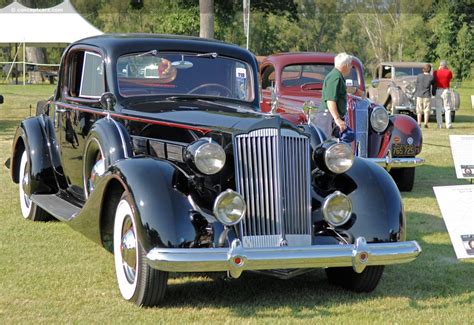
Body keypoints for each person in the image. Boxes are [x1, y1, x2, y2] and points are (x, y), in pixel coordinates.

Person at [320, 52, 353, 137]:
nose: (350, 67)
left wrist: (355, 90)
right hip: (328, 120)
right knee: (331, 146)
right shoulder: (335, 77)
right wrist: (337, 119)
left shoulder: (337, 76)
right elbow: (330, 100)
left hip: (331, 119)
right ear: (344, 65)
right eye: (349, 65)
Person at [433, 60, 454, 129]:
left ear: (440, 65)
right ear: (446, 66)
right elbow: (450, 79)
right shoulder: (449, 72)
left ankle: (439, 125)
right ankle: (448, 125)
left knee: (438, 108)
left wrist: (439, 70)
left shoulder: (435, 72)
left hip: (438, 90)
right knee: (447, 108)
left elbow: (435, 79)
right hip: (446, 90)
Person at [414, 63, 436, 128]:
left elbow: (416, 85)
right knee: (427, 110)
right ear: (430, 70)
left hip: (419, 95)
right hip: (427, 95)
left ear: (423, 69)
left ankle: (419, 123)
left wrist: (416, 93)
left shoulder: (419, 76)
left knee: (419, 110)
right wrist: (433, 93)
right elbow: (434, 86)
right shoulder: (431, 77)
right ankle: (426, 123)